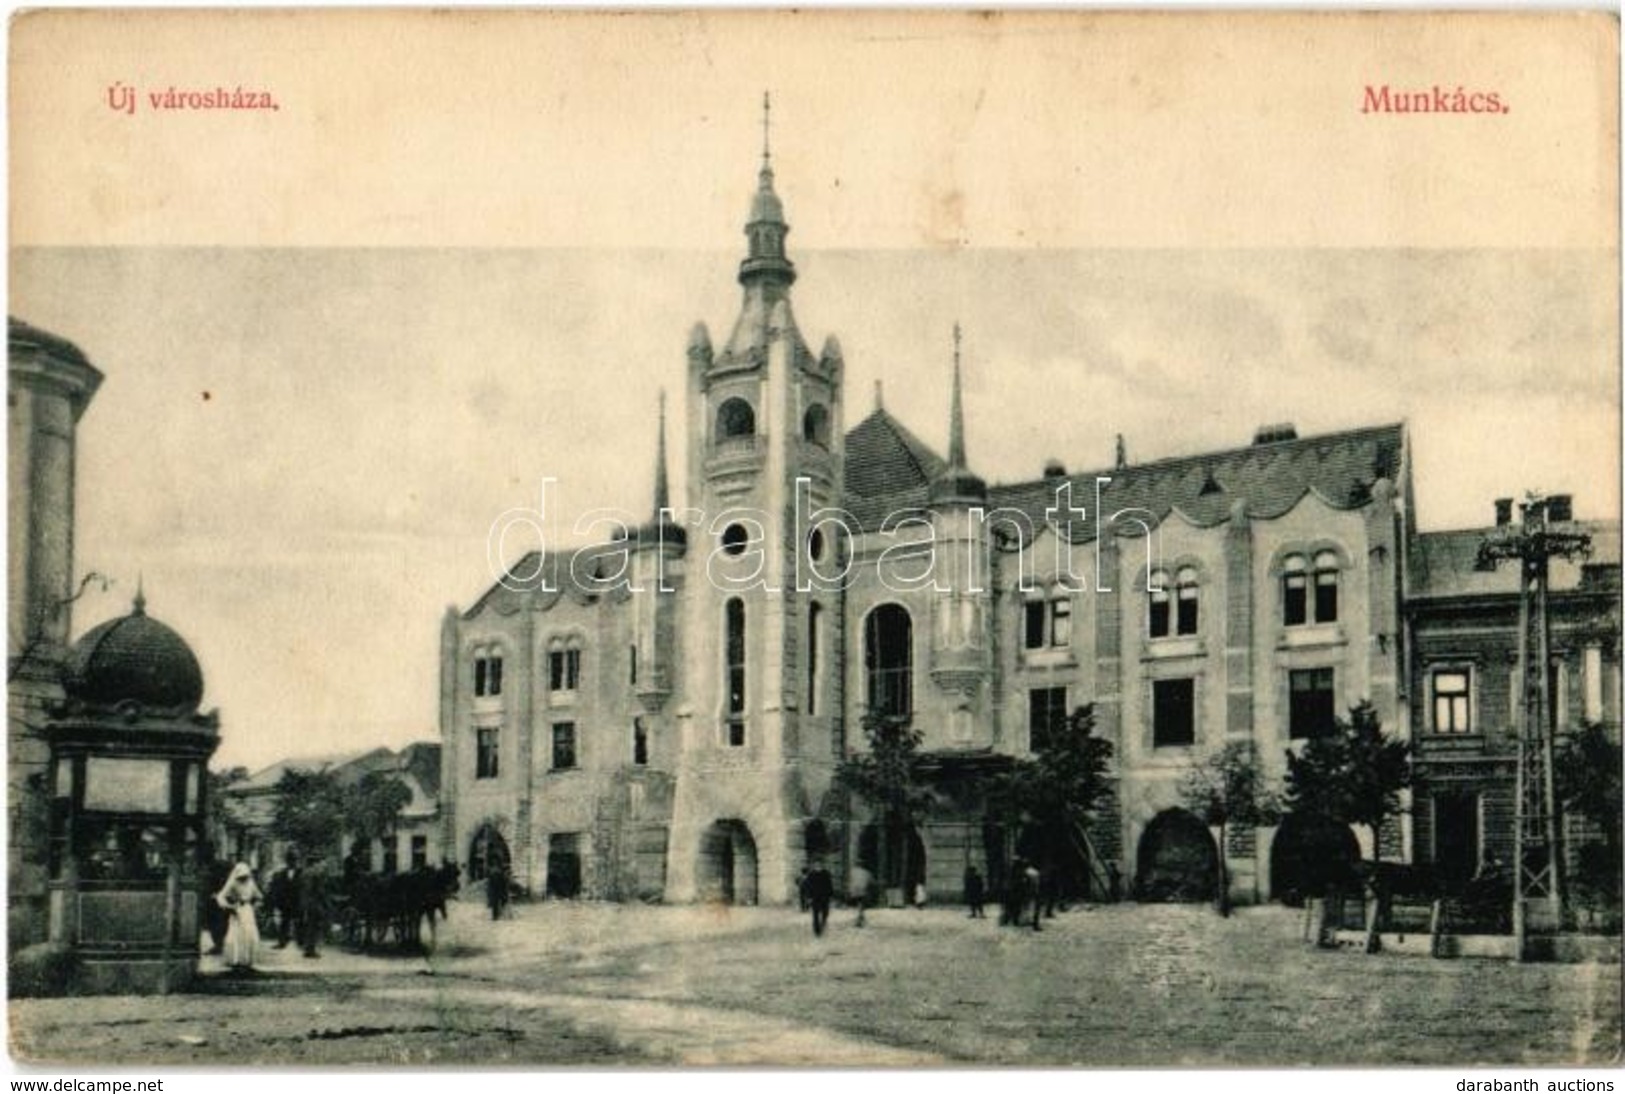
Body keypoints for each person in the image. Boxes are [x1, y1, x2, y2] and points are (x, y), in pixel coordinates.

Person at [215, 862, 263, 972]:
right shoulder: (233, 883)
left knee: (249, 934)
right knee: (237, 935)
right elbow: (220, 897)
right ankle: (236, 960)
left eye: (245, 876)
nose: (244, 879)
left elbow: (259, 896)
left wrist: (256, 906)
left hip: (248, 911)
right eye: (241, 876)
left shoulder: (251, 883)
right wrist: (229, 907)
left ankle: (247, 961)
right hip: (237, 910)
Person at [295, 857, 327, 958]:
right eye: (319, 863)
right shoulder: (316, 874)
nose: (321, 865)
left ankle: (307, 948)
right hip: (314, 902)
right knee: (315, 926)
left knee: (308, 925)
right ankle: (311, 950)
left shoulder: (303, 873)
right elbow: (320, 890)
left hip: (303, 902)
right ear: (314, 863)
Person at [805, 861, 834, 937]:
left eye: (819, 864)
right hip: (816, 897)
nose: (817, 866)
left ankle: (822, 923)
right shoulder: (811, 874)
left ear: (822, 865)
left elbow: (829, 884)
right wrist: (809, 897)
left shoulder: (826, 873)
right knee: (815, 914)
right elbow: (808, 887)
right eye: (816, 865)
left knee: (825, 913)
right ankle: (817, 930)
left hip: (824, 896)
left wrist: (830, 895)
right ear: (814, 865)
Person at [849, 864, 872, 928]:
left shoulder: (853, 871)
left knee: (858, 905)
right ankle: (860, 919)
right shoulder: (867, 873)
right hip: (863, 890)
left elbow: (850, 880)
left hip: (854, 890)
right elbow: (870, 881)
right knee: (861, 905)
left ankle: (859, 919)